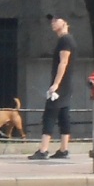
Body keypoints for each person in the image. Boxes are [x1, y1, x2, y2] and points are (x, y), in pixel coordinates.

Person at [29, 16, 77, 160]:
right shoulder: (67, 40)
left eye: (56, 20)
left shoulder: (65, 40)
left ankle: (43, 150)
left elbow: (63, 63)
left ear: (65, 22)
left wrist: (56, 84)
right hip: (66, 84)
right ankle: (64, 149)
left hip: (61, 85)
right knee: (63, 115)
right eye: (51, 21)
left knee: (49, 115)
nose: (53, 23)